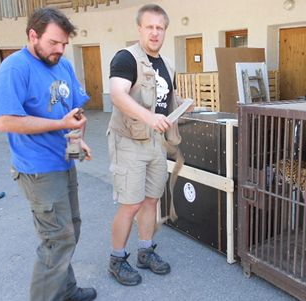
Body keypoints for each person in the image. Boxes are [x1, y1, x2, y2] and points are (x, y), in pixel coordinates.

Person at [0, 8, 96, 301]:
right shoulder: (15, 68)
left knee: (70, 231)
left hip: (64, 162)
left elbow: (74, 110)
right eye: (54, 43)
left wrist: (78, 136)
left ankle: (66, 290)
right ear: (32, 35)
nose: (60, 50)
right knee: (56, 239)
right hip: (37, 169)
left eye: (64, 44)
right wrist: (61, 124)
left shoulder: (62, 65)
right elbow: (3, 121)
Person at [107, 4, 193, 286]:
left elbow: (168, 100)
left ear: (165, 30)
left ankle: (145, 251)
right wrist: (148, 116)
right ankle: (117, 259)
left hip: (156, 142)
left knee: (151, 201)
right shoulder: (126, 58)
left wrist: (185, 107)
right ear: (140, 29)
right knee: (130, 204)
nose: (155, 32)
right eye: (150, 27)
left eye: (160, 27)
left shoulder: (167, 65)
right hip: (129, 141)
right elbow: (118, 95)